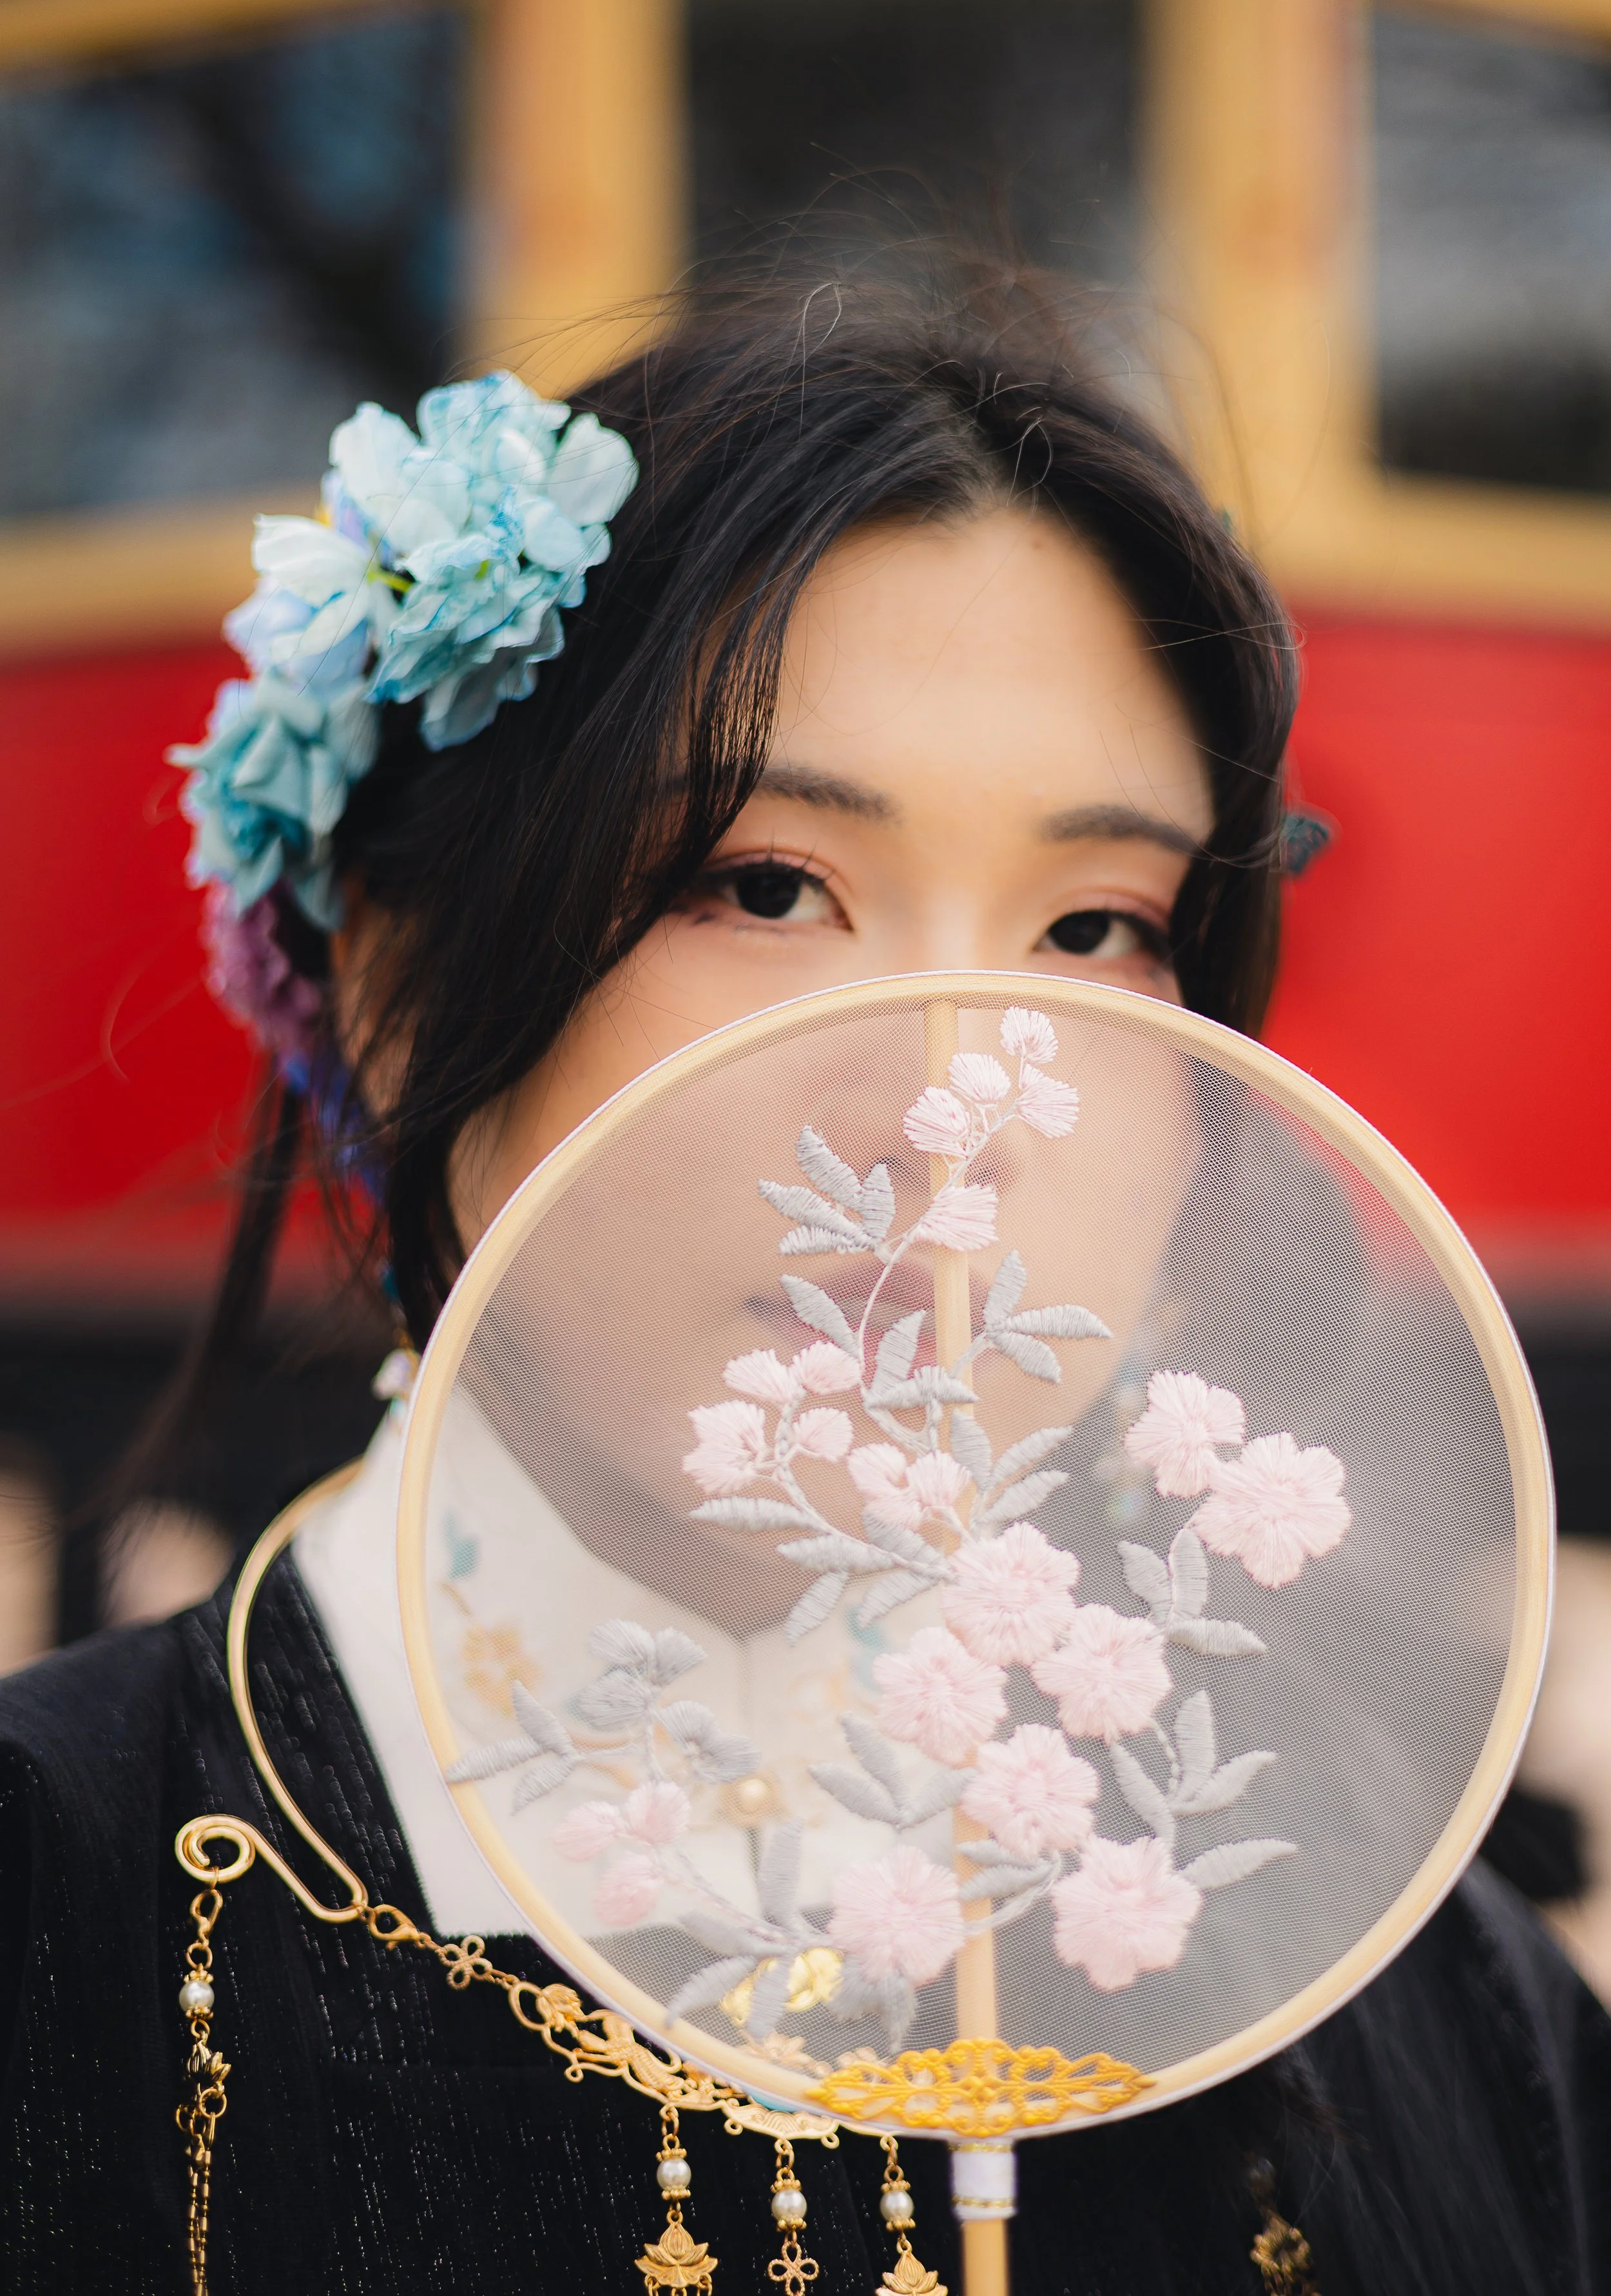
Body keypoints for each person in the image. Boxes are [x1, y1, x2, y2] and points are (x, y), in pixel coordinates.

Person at [1, 273, 1605, 2296]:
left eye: (1095, 925)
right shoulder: (67, 1907)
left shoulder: (1392, 1956)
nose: (953, 1103)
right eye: (764, 887)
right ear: (393, 975)